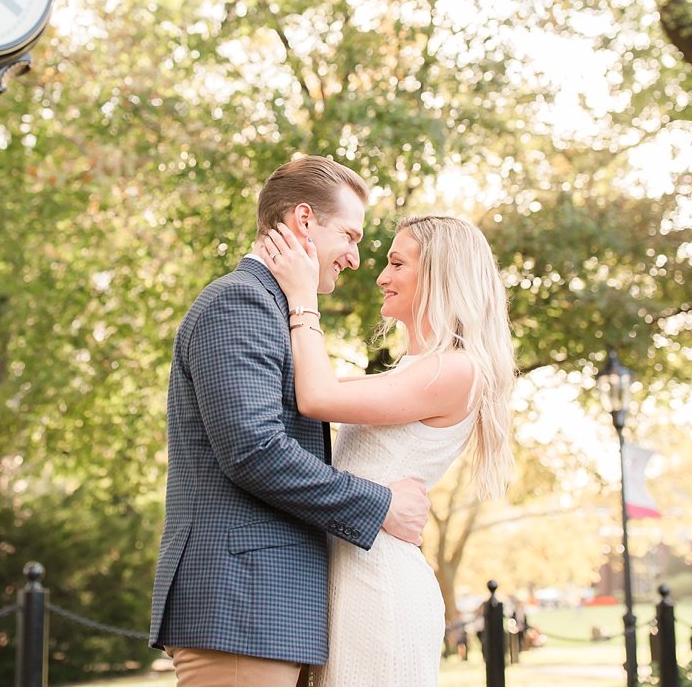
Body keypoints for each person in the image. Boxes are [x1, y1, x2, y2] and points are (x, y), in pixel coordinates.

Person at [150, 156, 431, 687]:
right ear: (304, 220)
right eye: (349, 236)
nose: (353, 258)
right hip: (240, 603)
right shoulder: (239, 303)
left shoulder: (272, 309)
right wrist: (383, 504)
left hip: (266, 608)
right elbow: (255, 451)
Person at [259, 213, 517, 687]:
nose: (381, 277)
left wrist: (302, 299)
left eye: (397, 264)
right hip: (351, 580)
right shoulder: (414, 370)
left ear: (440, 274)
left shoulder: (456, 370)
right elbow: (308, 388)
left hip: (379, 590)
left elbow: (317, 397)